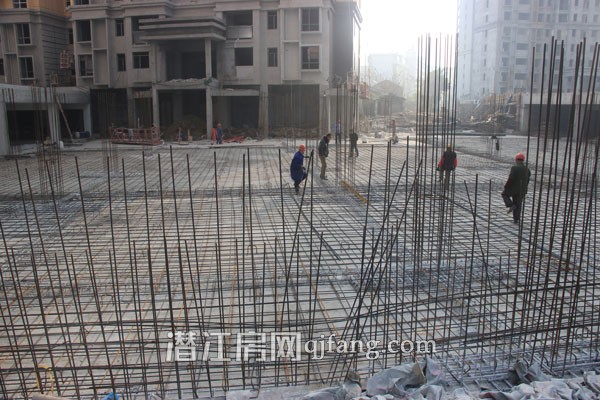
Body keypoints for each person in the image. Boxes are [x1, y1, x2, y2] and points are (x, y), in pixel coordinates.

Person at [502, 152, 531, 224]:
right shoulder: (527, 169)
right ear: (523, 160)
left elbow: (511, 178)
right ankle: (516, 219)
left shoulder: (514, 168)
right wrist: (524, 187)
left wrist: (506, 186)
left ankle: (511, 205)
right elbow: (528, 180)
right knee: (518, 203)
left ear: (516, 160)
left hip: (514, 189)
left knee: (504, 194)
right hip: (522, 189)